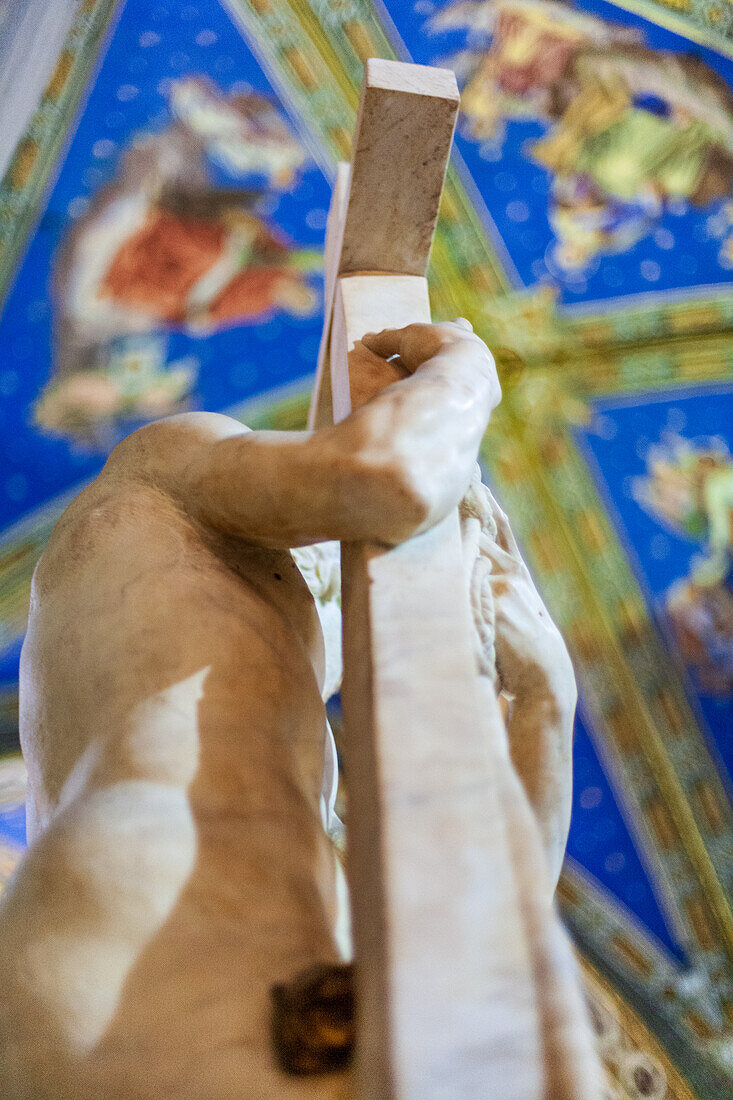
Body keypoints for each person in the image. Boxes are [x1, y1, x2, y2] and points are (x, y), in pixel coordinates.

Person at [0, 321, 577, 1099]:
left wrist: (546, 704)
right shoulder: (167, 473)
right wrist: (467, 370)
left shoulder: (289, 743)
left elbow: (480, 946)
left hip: (269, 976)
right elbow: (394, 478)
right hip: (161, 924)